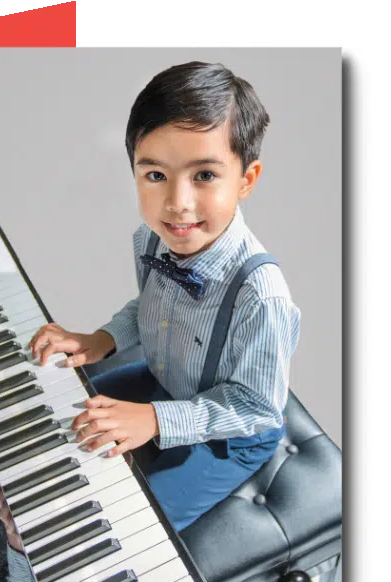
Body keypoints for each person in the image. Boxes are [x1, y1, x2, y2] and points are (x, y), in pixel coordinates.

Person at [27, 61, 301, 533]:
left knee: (129, 524)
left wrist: (155, 420)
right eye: (155, 175)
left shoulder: (262, 297)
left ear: (246, 179)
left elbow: (256, 407)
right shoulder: (152, 239)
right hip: (162, 378)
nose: (177, 202)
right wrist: (102, 339)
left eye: (204, 176)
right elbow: (148, 307)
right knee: (53, 420)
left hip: (230, 433)